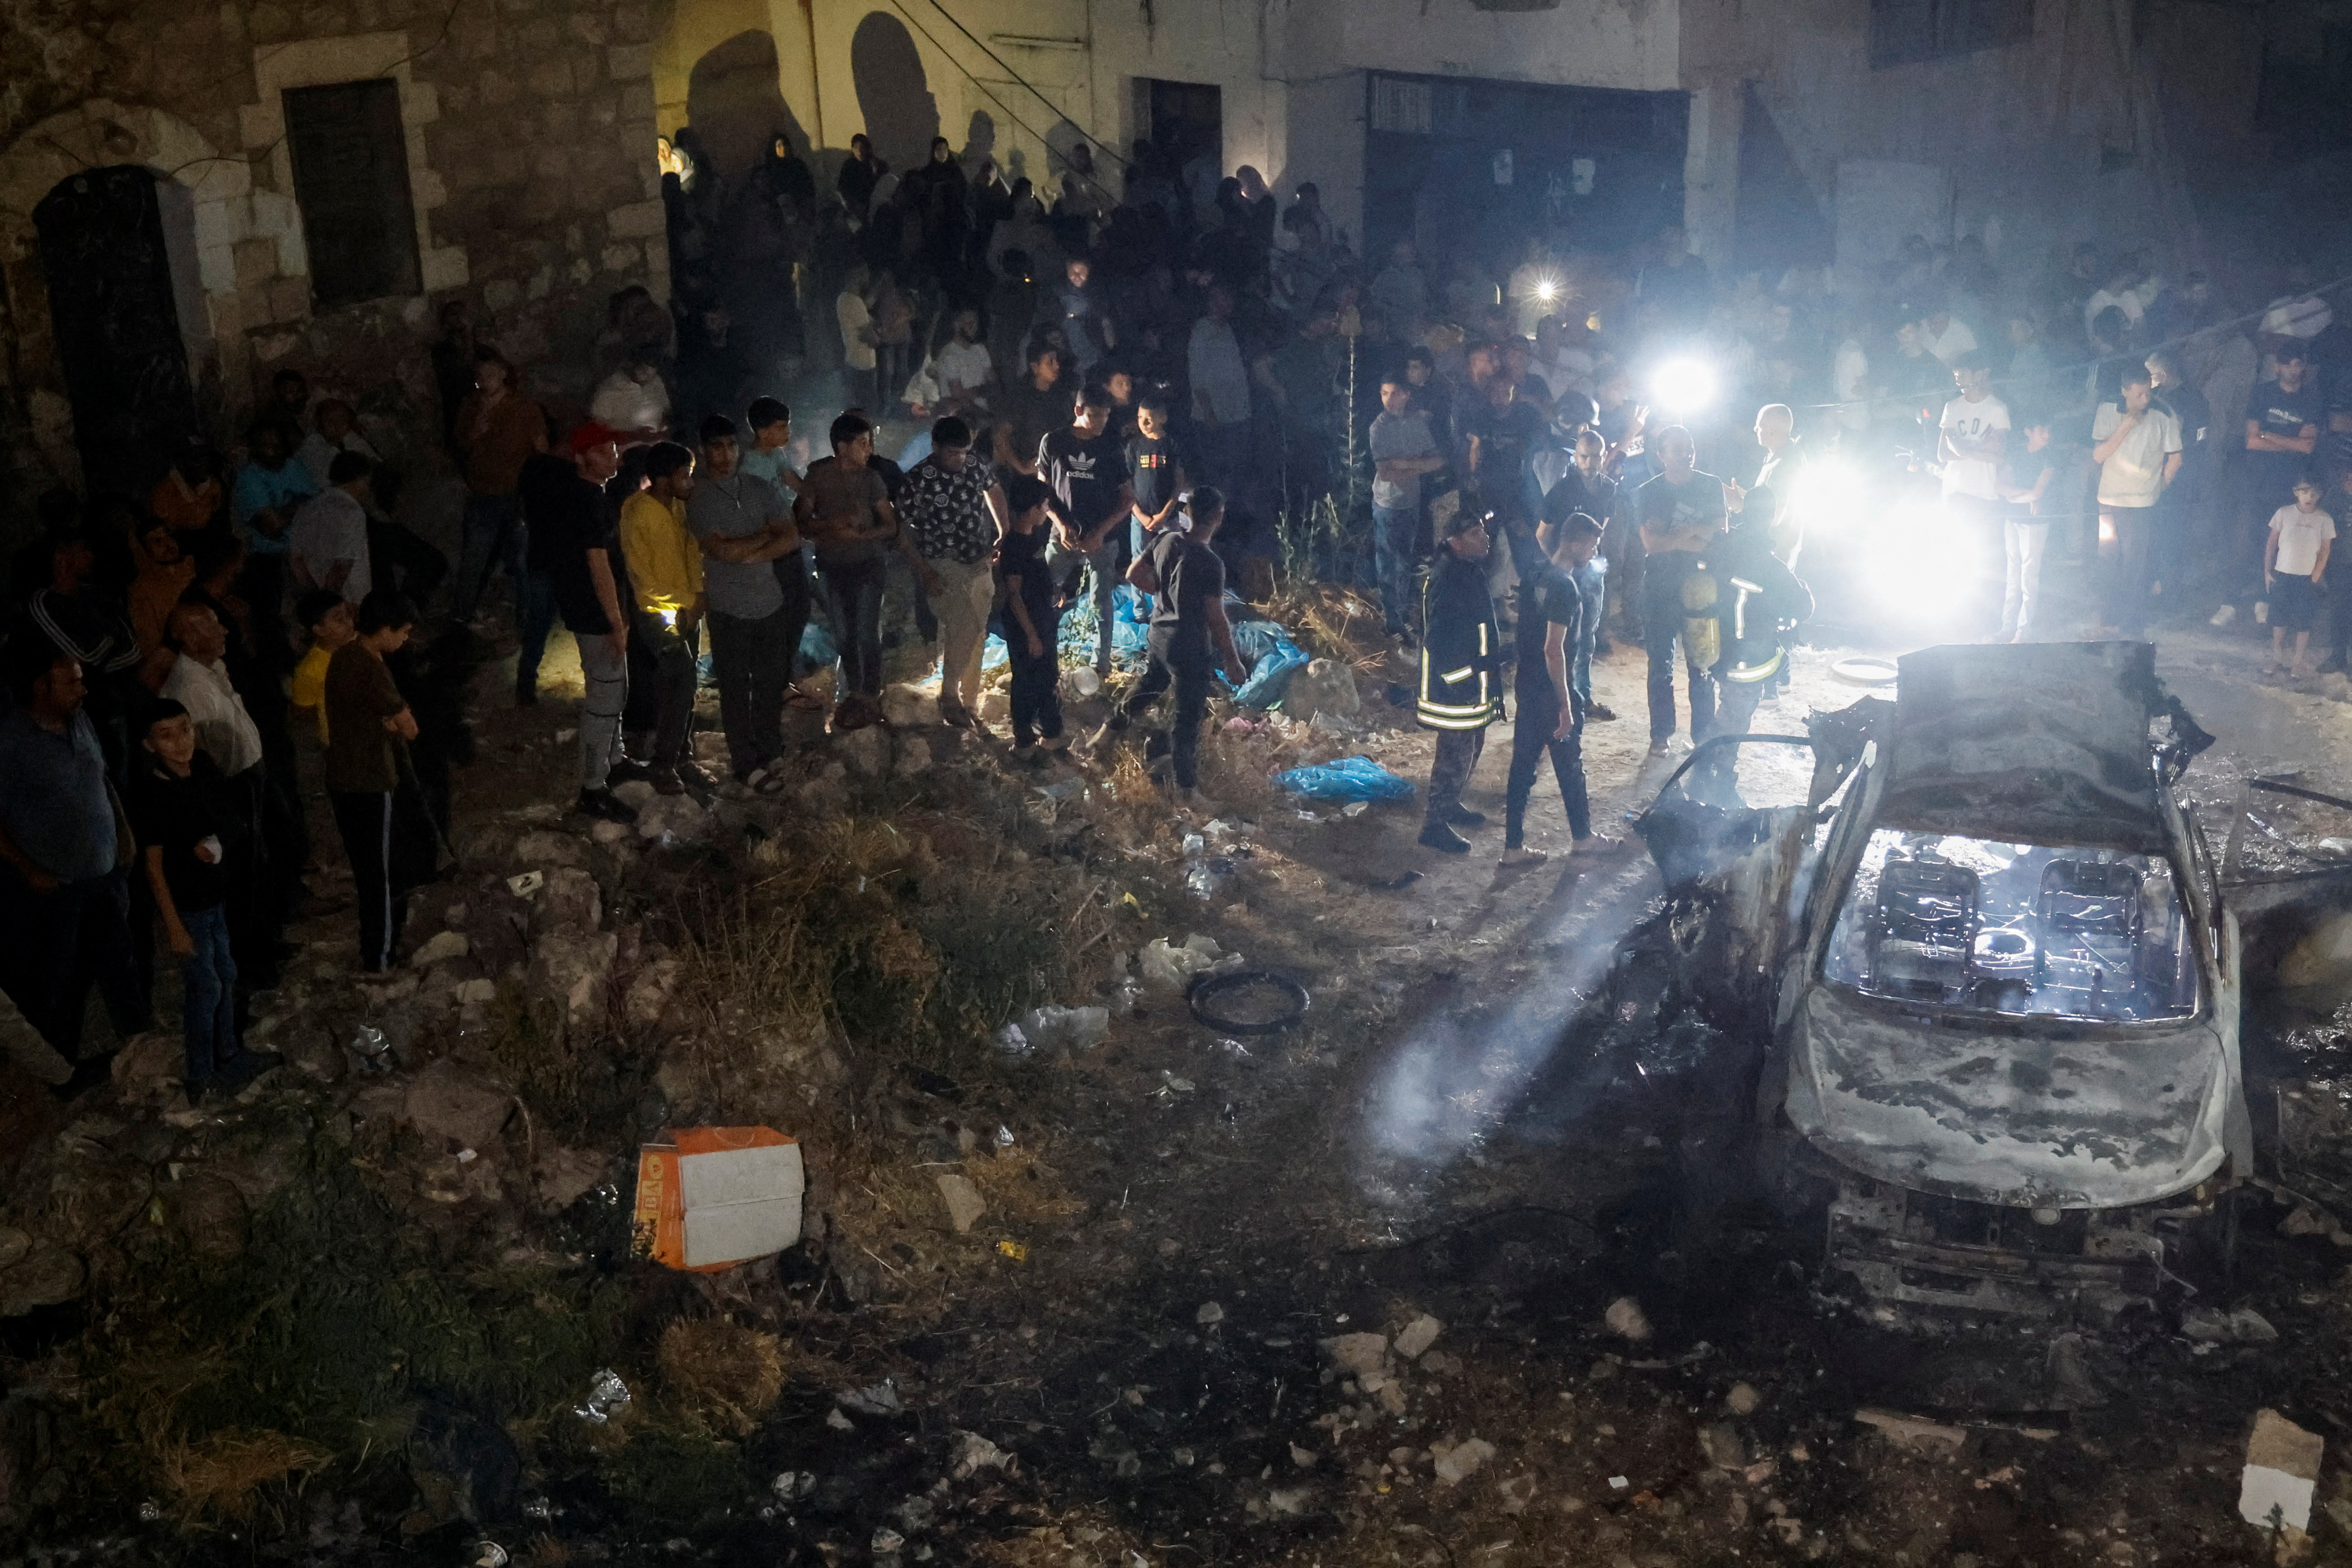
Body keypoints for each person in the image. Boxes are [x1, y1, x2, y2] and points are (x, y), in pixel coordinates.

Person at [0, 641, 149, 1077]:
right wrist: (29, 870)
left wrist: (123, 832)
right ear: (41, 687)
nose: (82, 690)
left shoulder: (80, 721)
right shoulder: (11, 743)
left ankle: (141, 1045)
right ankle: (58, 1070)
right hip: (55, 885)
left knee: (121, 964)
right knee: (57, 980)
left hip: (103, 873)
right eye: (72, 682)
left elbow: (100, 778)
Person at [130, 699, 278, 1104]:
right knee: (204, 986)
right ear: (149, 745)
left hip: (215, 896)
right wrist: (173, 924)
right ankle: (200, 1073)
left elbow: (232, 819)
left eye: (185, 729)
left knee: (226, 974)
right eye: (167, 735)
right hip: (189, 906)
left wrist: (216, 843)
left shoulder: (205, 768)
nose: (180, 742)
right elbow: (154, 865)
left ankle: (229, 1055)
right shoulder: (153, 795)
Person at [1098, 485, 1248, 812]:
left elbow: (1134, 573)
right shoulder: (1210, 562)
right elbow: (1216, 617)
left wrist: (1161, 591)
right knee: (1187, 718)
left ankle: (1105, 736)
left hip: (1160, 635)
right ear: (1218, 518)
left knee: (1148, 686)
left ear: (1188, 513)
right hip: (1189, 647)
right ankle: (1187, 791)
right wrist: (1232, 660)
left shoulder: (1167, 539)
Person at [689, 416, 805, 783]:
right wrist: (763, 539)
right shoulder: (700, 497)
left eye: (731, 446)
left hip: (768, 601)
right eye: (717, 447)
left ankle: (770, 750)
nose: (725, 454)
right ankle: (745, 762)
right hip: (728, 608)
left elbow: (792, 536)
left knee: (771, 683)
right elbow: (722, 551)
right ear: (704, 451)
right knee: (736, 688)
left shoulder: (759, 488)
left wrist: (751, 548)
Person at [1500, 514, 1606, 868]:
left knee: (1523, 767)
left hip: (1527, 686)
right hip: (1550, 689)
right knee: (1570, 765)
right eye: (1591, 545)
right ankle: (1583, 838)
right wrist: (1565, 703)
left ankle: (1512, 846)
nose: (1594, 552)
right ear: (1574, 542)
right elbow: (1553, 648)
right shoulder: (1564, 588)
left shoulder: (1536, 574)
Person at [324, 591, 421, 972]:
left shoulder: (343, 656)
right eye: (404, 632)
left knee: (366, 868)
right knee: (377, 877)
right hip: (368, 781)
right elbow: (408, 728)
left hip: (341, 778)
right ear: (385, 630)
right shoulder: (370, 665)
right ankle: (378, 958)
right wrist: (398, 720)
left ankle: (375, 950)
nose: (405, 640)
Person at [795, 412, 903, 730]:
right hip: (832, 566)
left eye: (869, 443)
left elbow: (890, 525)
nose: (869, 450)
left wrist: (861, 536)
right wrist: (832, 527)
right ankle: (855, 693)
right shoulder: (818, 478)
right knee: (844, 635)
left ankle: (869, 694)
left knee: (867, 632)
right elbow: (802, 523)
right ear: (842, 447)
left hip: (869, 564)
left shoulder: (872, 479)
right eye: (863, 444)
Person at [900, 417, 1009, 727]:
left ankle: (969, 703)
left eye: (963, 452)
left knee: (977, 631)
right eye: (953, 454)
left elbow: (995, 490)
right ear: (935, 448)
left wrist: (1004, 529)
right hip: (942, 560)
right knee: (963, 623)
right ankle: (949, 695)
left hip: (978, 558)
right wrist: (924, 570)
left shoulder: (974, 464)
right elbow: (901, 530)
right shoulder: (919, 478)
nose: (959, 459)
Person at [619, 441, 709, 793]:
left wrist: (696, 598)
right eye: (684, 476)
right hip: (659, 614)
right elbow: (644, 581)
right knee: (681, 680)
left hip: (689, 608)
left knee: (684, 684)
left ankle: (680, 757)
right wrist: (691, 598)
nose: (690, 482)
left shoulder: (678, 507)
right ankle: (664, 763)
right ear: (661, 479)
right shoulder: (638, 512)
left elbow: (691, 555)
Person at [1635, 426, 1729, 757]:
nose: (1686, 454)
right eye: (1677, 449)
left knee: (1701, 663)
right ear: (1660, 455)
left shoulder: (1710, 485)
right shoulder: (1648, 491)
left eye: (1689, 447)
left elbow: (1720, 536)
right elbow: (1652, 545)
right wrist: (1695, 534)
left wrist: (1679, 535)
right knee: (1660, 665)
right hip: (1659, 587)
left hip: (1700, 587)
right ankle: (1661, 735)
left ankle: (1703, 736)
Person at [1415, 511, 1503, 855]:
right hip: (1455, 688)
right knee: (1454, 753)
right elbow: (1437, 641)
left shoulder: (1465, 570)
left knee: (1471, 745)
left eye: (1484, 530)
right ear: (1455, 540)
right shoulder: (1447, 577)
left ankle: (1451, 805)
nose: (1486, 537)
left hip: (1471, 684)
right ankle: (1434, 824)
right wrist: (1461, 678)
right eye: (1476, 531)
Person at [1039, 383, 1135, 676]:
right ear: (1078, 411)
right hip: (1062, 537)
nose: (1102, 422)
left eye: (1106, 416)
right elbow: (1041, 491)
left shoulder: (1110, 446)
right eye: (1095, 416)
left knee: (1101, 601)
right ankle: (1042, 655)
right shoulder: (1054, 443)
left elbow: (1128, 499)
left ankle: (1101, 664)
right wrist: (1060, 525)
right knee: (1043, 594)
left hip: (1101, 540)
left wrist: (1101, 533)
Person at [2221, 345, 2321, 625]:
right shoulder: (2263, 393)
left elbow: (2308, 446)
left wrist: (2268, 435)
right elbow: (2251, 441)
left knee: (2276, 544)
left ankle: (2264, 600)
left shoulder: (2311, 399)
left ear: (2304, 367)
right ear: (2277, 366)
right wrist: (2289, 441)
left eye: (2298, 364)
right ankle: (2229, 600)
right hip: (2255, 479)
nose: (2293, 370)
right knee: (2244, 539)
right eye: (2287, 364)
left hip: (2288, 484)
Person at [452, 351, 548, 623]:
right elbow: (461, 444)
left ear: (504, 375)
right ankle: (461, 617)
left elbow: (541, 450)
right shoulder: (471, 406)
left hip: (516, 493)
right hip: (482, 494)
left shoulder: (524, 408)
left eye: (490, 375)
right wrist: (476, 432)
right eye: (480, 376)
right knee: (474, 559)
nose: (484, 381)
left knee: (521, 559)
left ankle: (528, 612)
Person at [2089, 366, 2182, 638]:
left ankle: (2131, 624)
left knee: (2135, 565)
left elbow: (2175, 458)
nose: (2145, 400)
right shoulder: (2107, 409)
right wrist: (2125, 427)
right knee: (2107, 560)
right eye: (2139, 395)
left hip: (2142, 503)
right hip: (2108, 500)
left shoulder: (2164, 414)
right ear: (2125, 391)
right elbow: (2098, 455)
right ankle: (2106, 618)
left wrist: (2158, 487)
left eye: (2148, 393)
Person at [1539, 431, 1618, 720]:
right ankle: (1558, 701)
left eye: (1596, 456)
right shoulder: (1561, 491)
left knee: (1587, 640)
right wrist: (1559, 567)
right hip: (1567, 576)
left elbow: (1601, 529)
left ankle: (1581, 699)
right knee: (1561, 641)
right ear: (1575, 455)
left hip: (1592, 573)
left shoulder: (1609, 489)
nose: (1590, 462)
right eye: (1584, 456)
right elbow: (1542, 533)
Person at [996, 473, 1068, 761]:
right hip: (1026, 626)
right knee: (1028, 681)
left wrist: (1054, 588)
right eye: (1044, 505)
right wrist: (1031, 635)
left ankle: (1050, 734)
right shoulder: (1014, 545)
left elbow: (1035, 573)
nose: (1046, 510)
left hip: (1042, 619)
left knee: (1047, 675)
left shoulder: (1033, 537)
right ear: (1030, 509)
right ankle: (1026, 739)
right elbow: (1014, 595)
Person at [1370, 370, 1442, 644]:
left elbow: (1437, 461)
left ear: (1406, 394)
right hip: (1388, 504)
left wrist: (1405, 463)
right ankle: (1394, 622)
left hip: (1411, 502)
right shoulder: (1379, 428)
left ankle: (1401, 618)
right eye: (1384, 393)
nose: (1388, 400)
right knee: (1390, 563)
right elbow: (1386, 472)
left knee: (1405, 561)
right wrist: (1415, 465)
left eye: (1394, 393)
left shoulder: (1415, 424)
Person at [2148, 346, 2213, 614]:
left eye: (2150, 374)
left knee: (2173, 537)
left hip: (2179, 478)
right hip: (2172, 475)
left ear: (2163, 374)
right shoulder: (2169, 397)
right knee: (2162, 536)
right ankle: (2162, 588)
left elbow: (2189, 438)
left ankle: (2172, 596)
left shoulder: (2184, 401)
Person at [1994, 416, 2059, 642]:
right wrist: (2021, 497)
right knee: (2012, 574)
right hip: (2013, 519)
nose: (2047, 435)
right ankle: (2007, 628)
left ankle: (2023, 630)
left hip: (2035, 522)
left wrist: (2013, 496)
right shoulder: (2018, 453)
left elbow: (2037, 494)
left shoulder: (2050, 458)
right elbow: (1999, 485)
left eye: (2048, 430)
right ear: (2028, 431)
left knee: (2028, 576)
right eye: (2042, 429)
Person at [2266, 479, 2334, 680]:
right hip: (2282, 573)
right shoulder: (2284, 513)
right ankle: (2277, 657)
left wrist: (2316, 575)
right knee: (2279, 620)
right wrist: (2267, 571)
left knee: (2303, 621)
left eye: (2314, 494)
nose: (2309, 497)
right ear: (2297, 493)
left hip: (2306, 578)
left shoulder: (2324, 519)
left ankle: (2297, 661)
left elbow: (2325, 550)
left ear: (2319, 496)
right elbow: (2271, 544)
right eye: (2305, 492)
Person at [1187, 286, 1254, 485]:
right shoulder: (1202, 330)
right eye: (1224, 298)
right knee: (1217, 474)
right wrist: (1209, 413)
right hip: (1216, 418)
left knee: (1237, 472)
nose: (1230, 303)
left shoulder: (1227, 328)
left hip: (1237, 414)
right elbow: (1197, 375)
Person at [290, 451, 375, 604]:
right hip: (348, 604)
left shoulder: (307, 508)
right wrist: (332, 605)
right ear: (358, 480)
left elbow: (296, 561)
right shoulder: (352, 512)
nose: (368, 490)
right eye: (367, 483)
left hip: (315, 603)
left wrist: (314, 599)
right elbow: (341, 568)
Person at [290, 588, 354, 745]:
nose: (349, 623)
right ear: (319, 629)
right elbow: (302, 710)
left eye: (348, 615)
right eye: (339, 619)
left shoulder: (356, 647)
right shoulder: (310, 670)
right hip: (340, 743)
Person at [994, 341, 1067, 476]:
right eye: (1050, 362)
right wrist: (1022, 468)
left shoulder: (1062, 395)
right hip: (1030, 476)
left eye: (1057, 361)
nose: (1057, 366)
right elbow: (1001, 436)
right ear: (1035, 367)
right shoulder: (1020, 399)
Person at [588, 356, 673, 442]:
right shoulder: (610, 390)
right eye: (641, 366)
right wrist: (633, 436)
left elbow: (665, 413)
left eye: (652, 366)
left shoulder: (656, 383)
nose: (644, 371)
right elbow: (596, 431)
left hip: (656, 447)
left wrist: (663, 432)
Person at [836, 265, 878, 410]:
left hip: (851, 360)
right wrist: (879, 338)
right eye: (865, 275)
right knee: (865, 409)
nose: (868, 278)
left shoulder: (842, 298)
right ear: (858, 277)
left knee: (852, 406)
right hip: (864, 364)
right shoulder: (856, 302)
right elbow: (870, 338)